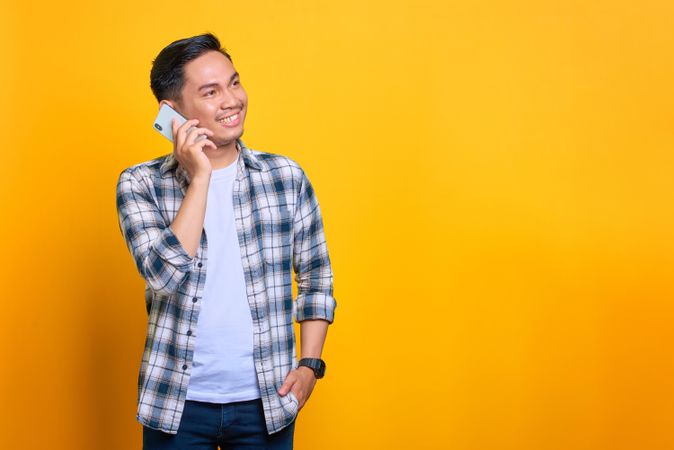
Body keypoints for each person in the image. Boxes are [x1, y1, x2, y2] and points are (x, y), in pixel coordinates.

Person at [115, 32, 336, 449]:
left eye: (234, 83)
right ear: (172, 112)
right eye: (211, 91)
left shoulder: (284, 178)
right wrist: (199, 177)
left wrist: (309, 365)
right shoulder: (140, 184)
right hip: (177, 405)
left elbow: (316, 277)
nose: (231, 100)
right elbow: (163, 276)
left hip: (269, 402)